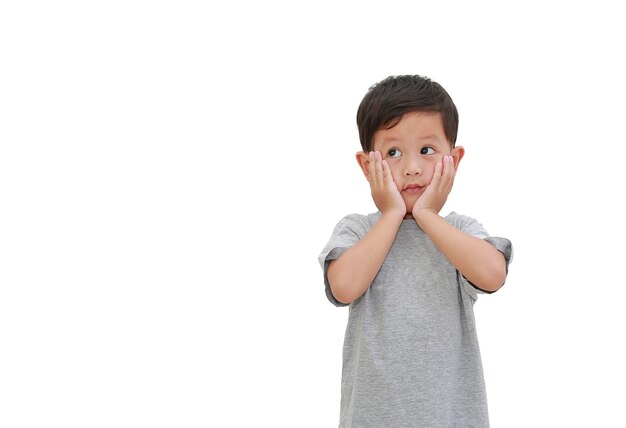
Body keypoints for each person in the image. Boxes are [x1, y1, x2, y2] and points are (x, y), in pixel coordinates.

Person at [318, 75, 513, 427]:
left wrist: (426, 215)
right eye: (393, 153)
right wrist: (392, 213)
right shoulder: (359, 229)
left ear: (453, 160)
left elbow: (493, 274)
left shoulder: (459, 230)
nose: (411, 168)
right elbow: (343, 286)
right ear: (367, 166)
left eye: (427, 151)